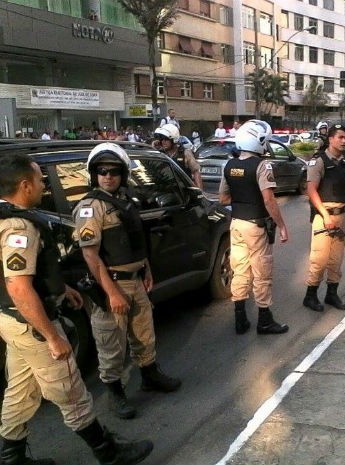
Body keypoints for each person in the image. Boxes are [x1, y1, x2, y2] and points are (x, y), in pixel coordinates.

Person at [0, 152, 152, 464]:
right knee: (71, 392)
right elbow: (17, 286)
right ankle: (108, 453)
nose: (43, 184)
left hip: (12, 322)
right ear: (25, 185)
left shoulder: (5, 217)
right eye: (40, 180)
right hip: (31, 325)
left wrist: (60, 288)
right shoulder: (19, 227)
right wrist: (52, 337)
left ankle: (11, 458)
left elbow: (21, 275)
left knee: (20, 392)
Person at [73, 143, 182, 419]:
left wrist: (146, 270)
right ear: (94, 174)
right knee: (112, 344)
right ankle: (115, 394)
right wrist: (112, 293)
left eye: (114, 171)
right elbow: (90, 255)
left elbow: (136, 242)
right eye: (102, 171)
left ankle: (149, 375)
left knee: (144, 335)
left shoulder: (126, 202)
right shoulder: (90, 208)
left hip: (135, 281)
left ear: (123, 174)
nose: (108, 176)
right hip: (113, 285)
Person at [219, 120, 289, 335]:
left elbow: (223, 198)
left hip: (237, 224)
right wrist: (282, 226)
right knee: (261, 273)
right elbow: (269, 200)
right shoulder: (262, 165)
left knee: (239, 271)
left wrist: (241, 199)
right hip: (256, 226)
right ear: (259, 141)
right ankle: (264, 321)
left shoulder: (229, 165)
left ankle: (240, 320)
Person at [302, 124, 345, 312]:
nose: (344, 141)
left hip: (340, 216)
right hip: (323, 216)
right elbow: (311, 190)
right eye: (340, 137)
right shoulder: (319, 161)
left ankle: (331, 294)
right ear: (330, 139)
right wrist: (324, 214)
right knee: (319, 258)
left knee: (336, 259)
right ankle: (310, 296)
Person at [153, 123, 203, 189]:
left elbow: (196, 172)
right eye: (161, 139)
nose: (163, 142)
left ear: (174, 139)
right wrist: (153, 146)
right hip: (165, 191)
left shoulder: (185, 153)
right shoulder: (160, 154)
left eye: (166, 139)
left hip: (182, 193)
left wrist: (199, 191)